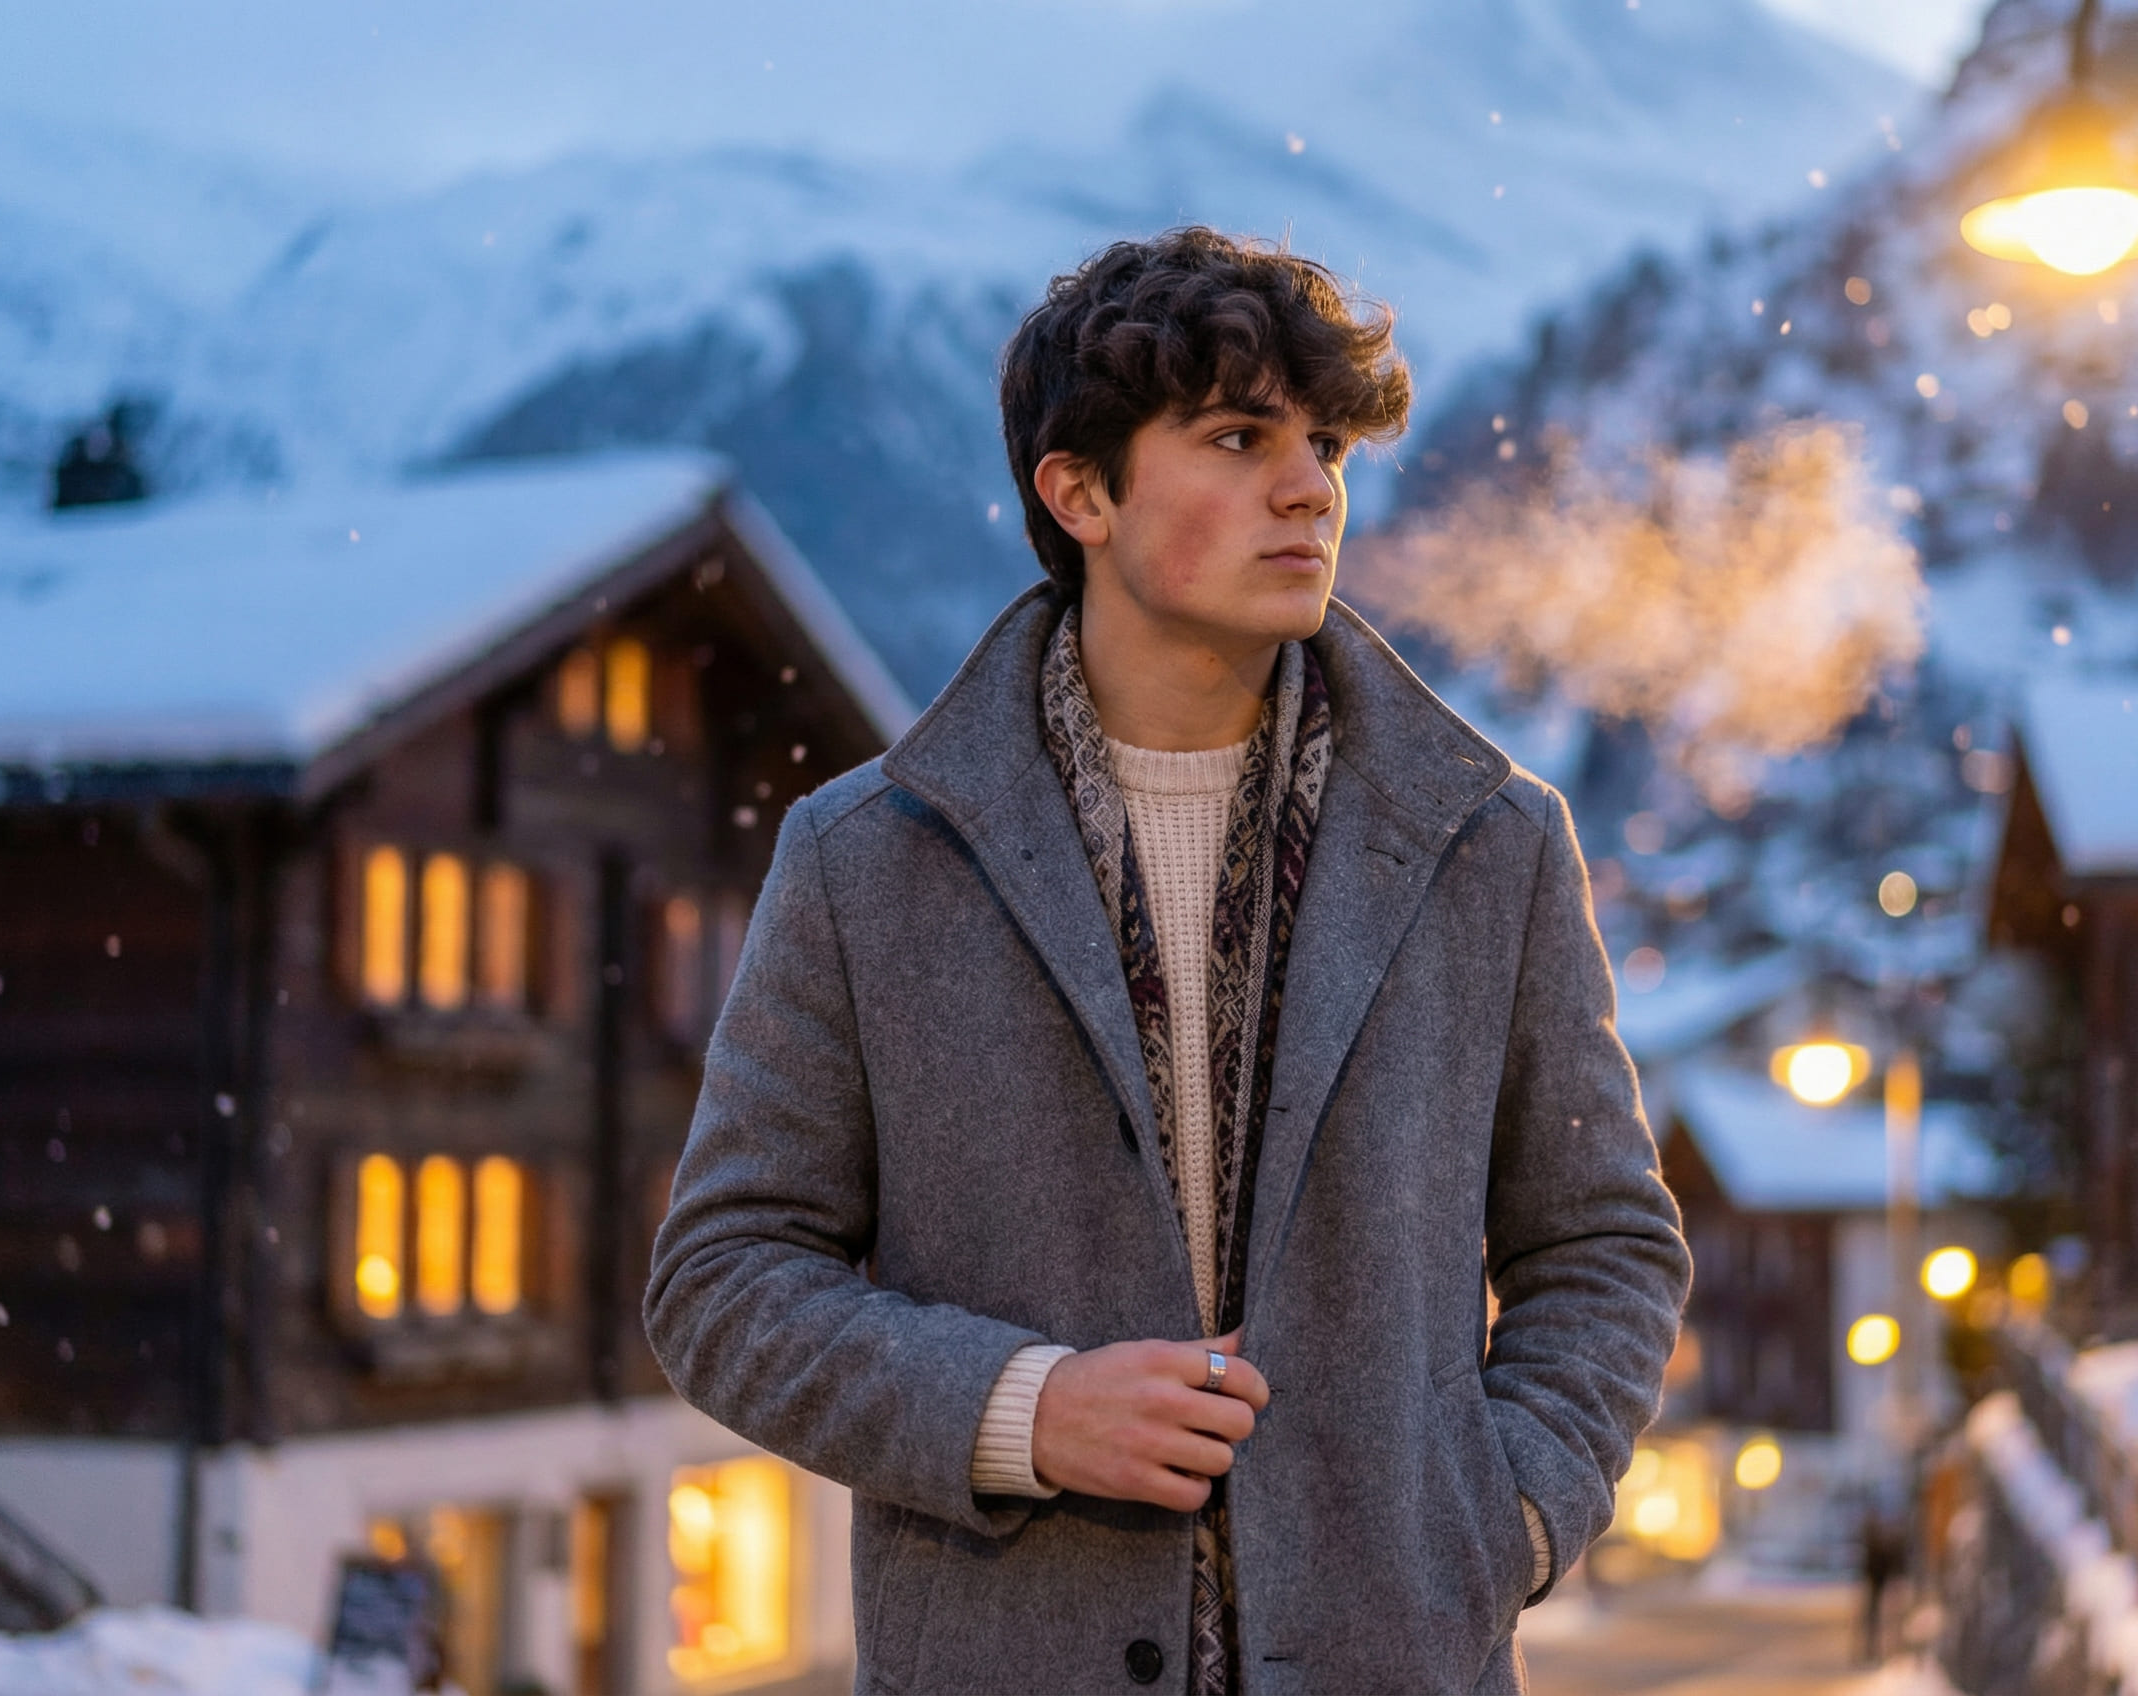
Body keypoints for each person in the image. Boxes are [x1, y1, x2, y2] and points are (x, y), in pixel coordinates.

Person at [645, 226, 1690, 1695]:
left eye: (1325, 444)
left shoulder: (1492, 845)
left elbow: (1602, 1246)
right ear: (1079, 492)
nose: (1309, 486)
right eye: (1236, 436)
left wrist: (1502, 1516)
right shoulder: (867, 858)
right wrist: (1023, 1410)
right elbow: (723, 1278)